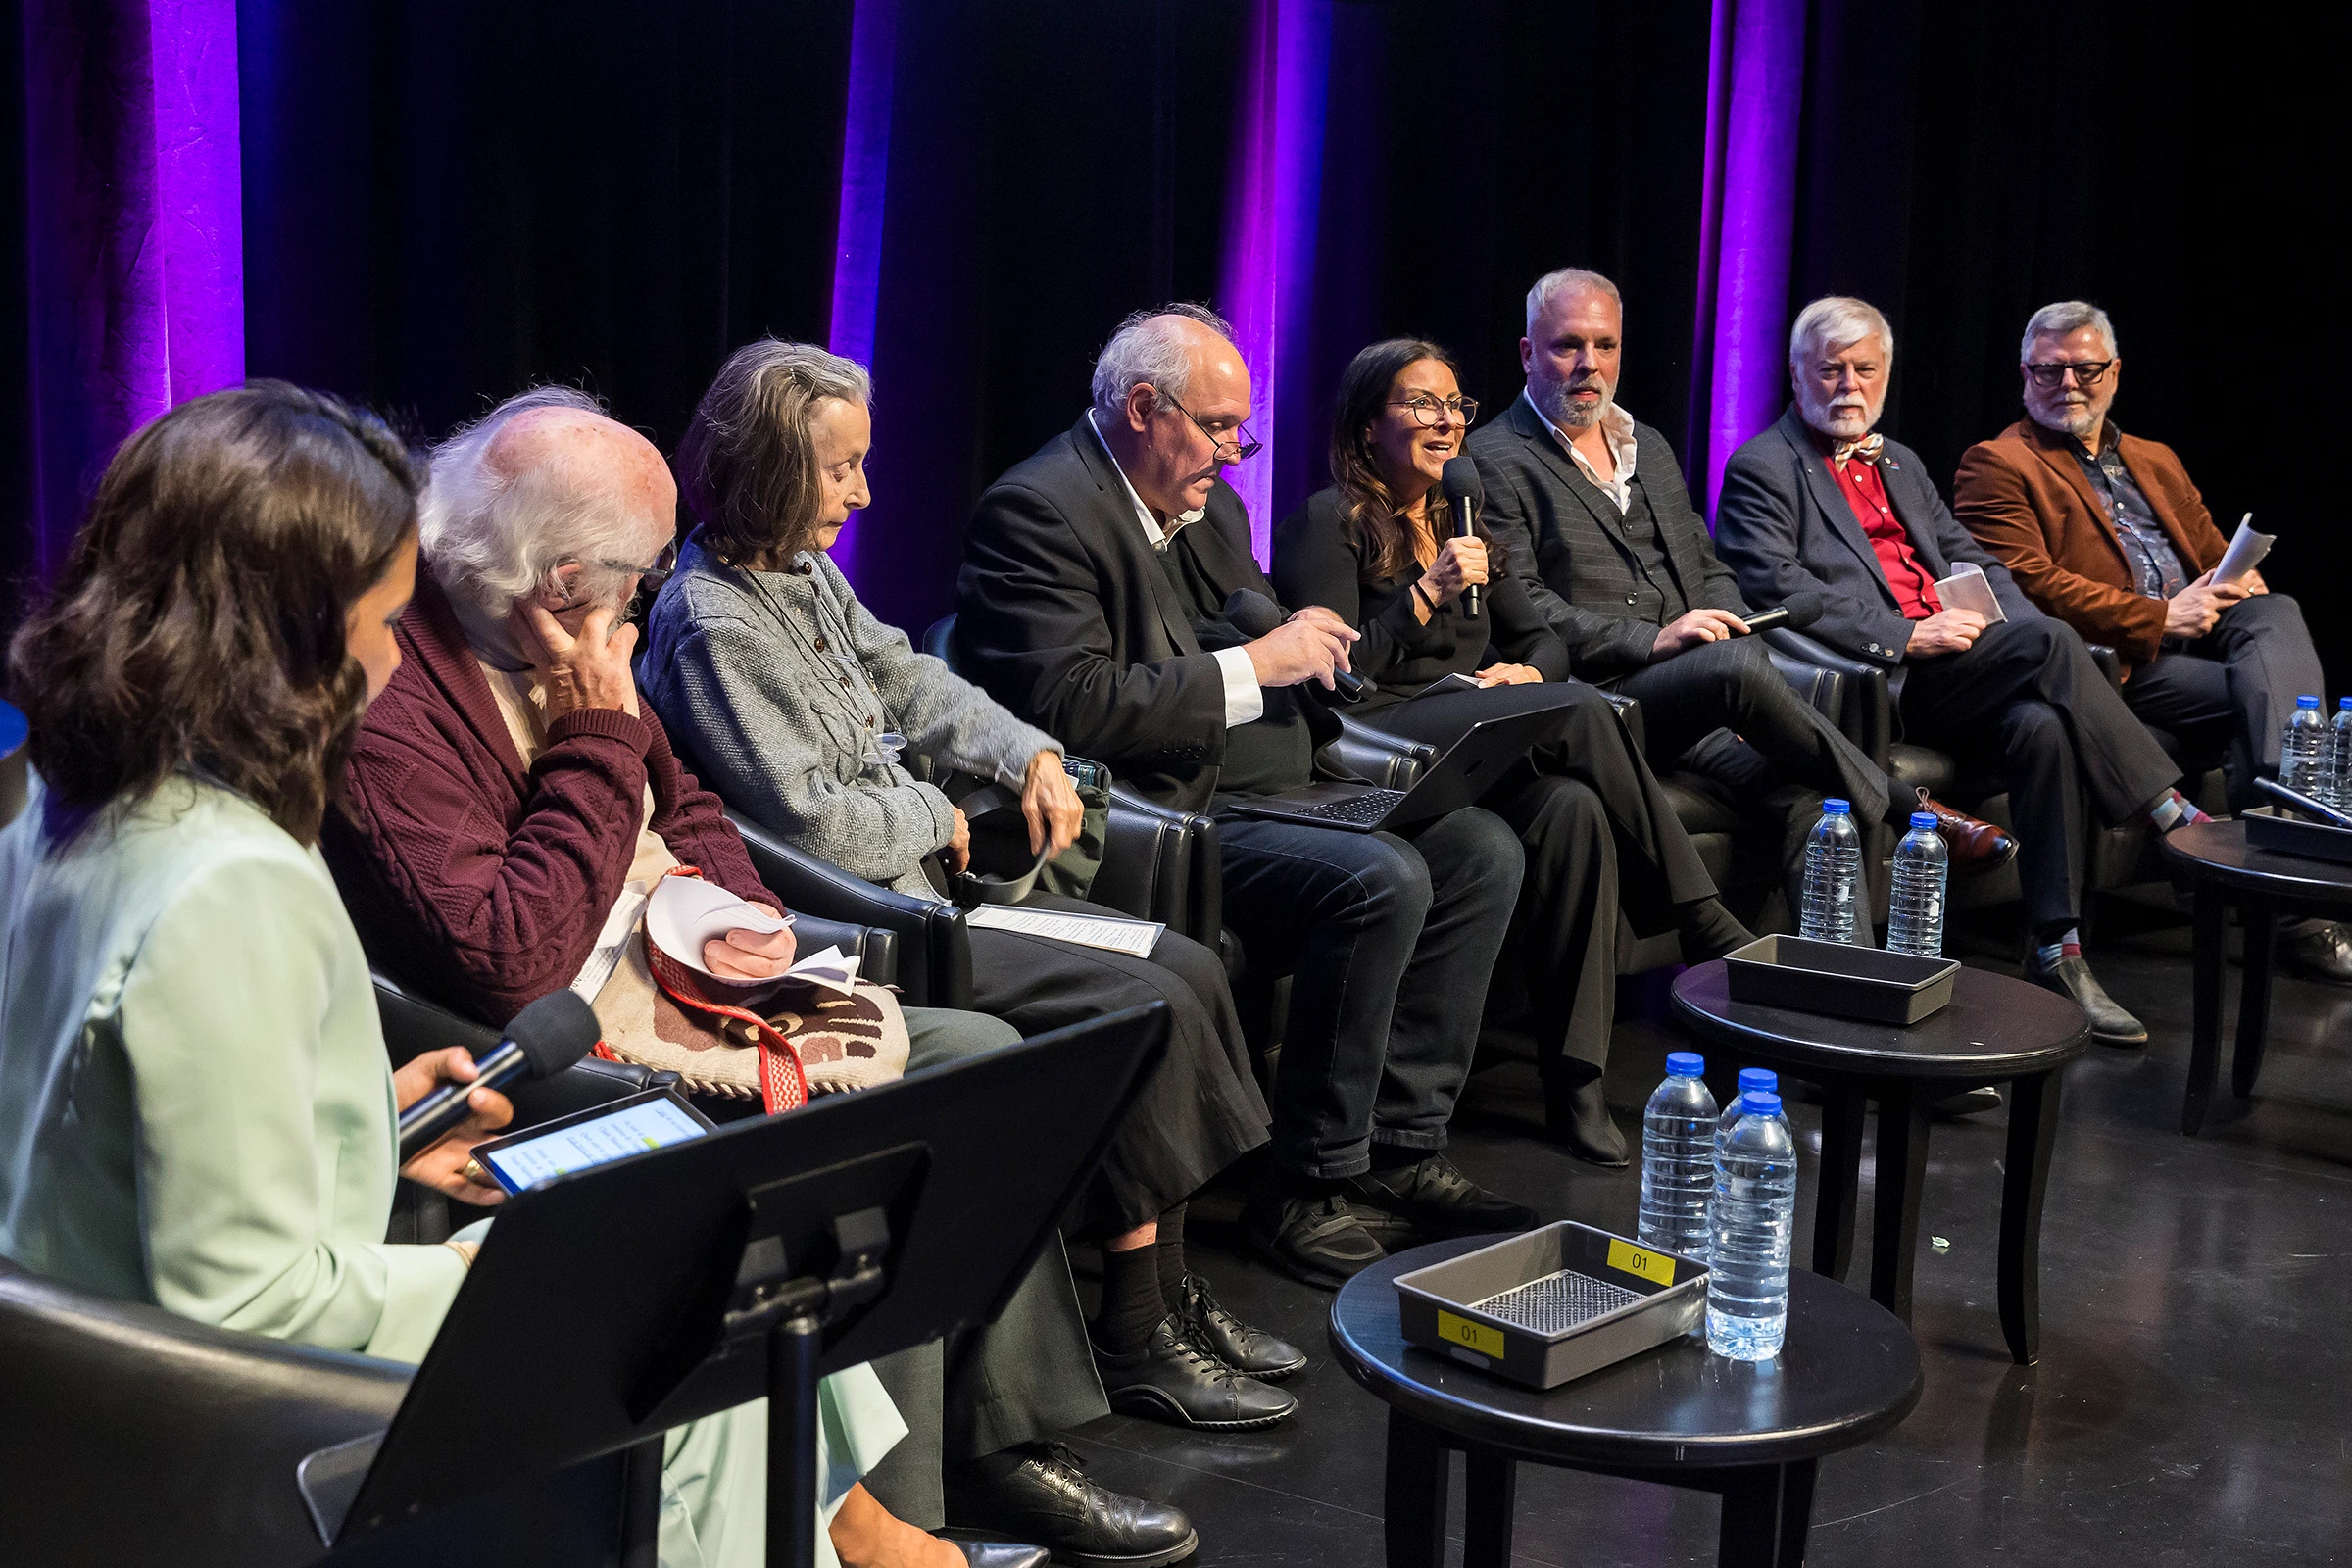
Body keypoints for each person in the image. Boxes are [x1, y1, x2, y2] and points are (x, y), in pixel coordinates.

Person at [0, 382, 939, 1568]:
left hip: (73, 1385)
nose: (396, 657)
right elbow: (249, 1310)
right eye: (387, 622)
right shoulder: (232, 882)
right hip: (214, 1433)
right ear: (290, 639)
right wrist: (477, 1268)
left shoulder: (52, 808)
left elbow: (92, 1135)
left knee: (697, 1257)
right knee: (687, 1296)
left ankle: (856, 1540)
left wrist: (366, 1131)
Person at [318, 387, 1196, 1568]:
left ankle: (996, 1446)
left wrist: (747, 914)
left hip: (692, 986)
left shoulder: (576, 640)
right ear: (557, 585)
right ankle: (895, 1520)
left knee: (976, 1066)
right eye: (633, 574)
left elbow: (690, 808)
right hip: (567, 1040)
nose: (646, 592)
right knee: (864, 1131)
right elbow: (504, 954)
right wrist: (593, 737)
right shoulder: (395, 694)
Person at [640, 339, 1298, 1439]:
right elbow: (807, 823)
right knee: (1142, 1001)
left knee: (1183, 960)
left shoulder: (800, 572)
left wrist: (1024, 754)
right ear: (765, 469)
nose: (864, 491)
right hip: (877, 924)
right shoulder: (712, 621)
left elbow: (909, 674)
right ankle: (1136, 1329)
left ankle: (1169, 1293)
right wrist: (936, 817)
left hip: (939, 891)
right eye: (840, 468)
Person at [956, 304, 1538, 1290]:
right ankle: (1306, 1189)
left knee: (1482, 847)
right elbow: (1068, 704)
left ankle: (1399, 1146)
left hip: (1269, 780)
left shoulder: (1208, 504)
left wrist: (1295, 620)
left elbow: (1239, 599)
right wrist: (1254, 663)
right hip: (1153, 815)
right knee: (1381, 877)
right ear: (1144, 407)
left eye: (1241, 429)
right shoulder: (1040, 510)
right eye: (1220, 427)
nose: (1235, 452)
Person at [1271, 337, 1751, 1164]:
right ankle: (1700, 917)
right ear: (1367, 424)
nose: (1447, 421)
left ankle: (1576, 1078)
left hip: (1478, 735)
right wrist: (1427, 595)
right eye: (1423, 404)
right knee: (1579, 712)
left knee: (1573, 811)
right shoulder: (1328, 521)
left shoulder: (1467, 514)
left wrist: (1522, 670)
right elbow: (1336, 676)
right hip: (1381, 737)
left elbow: (1548, 641)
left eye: (1456, 405)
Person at [1715, 297, 2218, 1047]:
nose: (1849, 384)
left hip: (1958, 669)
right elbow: (1779, 589)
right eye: (1831, 369)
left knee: (2042, 723)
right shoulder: (1764, 467)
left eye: (1865, 368)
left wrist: (1997, 627)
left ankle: (2059, 946)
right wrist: (1905, 635)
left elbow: (1973, 559)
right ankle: (2168, 812)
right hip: (1876, 682)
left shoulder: (1899, 462)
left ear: (1886, 375)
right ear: (1796, 374)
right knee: (2050, 643)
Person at [1472, 268, 2018, 914]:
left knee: (1813, 801)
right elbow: (1528, 608)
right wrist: (1655, 640)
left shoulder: (1644, 443)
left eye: (1606, 345)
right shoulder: (1494, 456)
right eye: (1568, 345)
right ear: (1528, 353)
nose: (1589, 364)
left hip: (1703, 696)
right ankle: (1915, 811)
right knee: (1734, 665)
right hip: (1603, 701)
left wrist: (1736, 629)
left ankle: (1831, 990)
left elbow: (1708, 569)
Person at [1954, 300, 2349, 984]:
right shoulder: (1996, 464)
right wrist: (2158, 616)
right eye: (2049, 371)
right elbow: (2032, 585)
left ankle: (2288, 814)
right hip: (2117, 662)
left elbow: (2211, 551)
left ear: (2114, 373)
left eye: (2085, 369)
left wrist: (2236, 582)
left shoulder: (2153, 458)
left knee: (2274, 609)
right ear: (2024, 374)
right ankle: (2293, 870)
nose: (2068, 384)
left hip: (2203, 634)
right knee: (2247, 693)